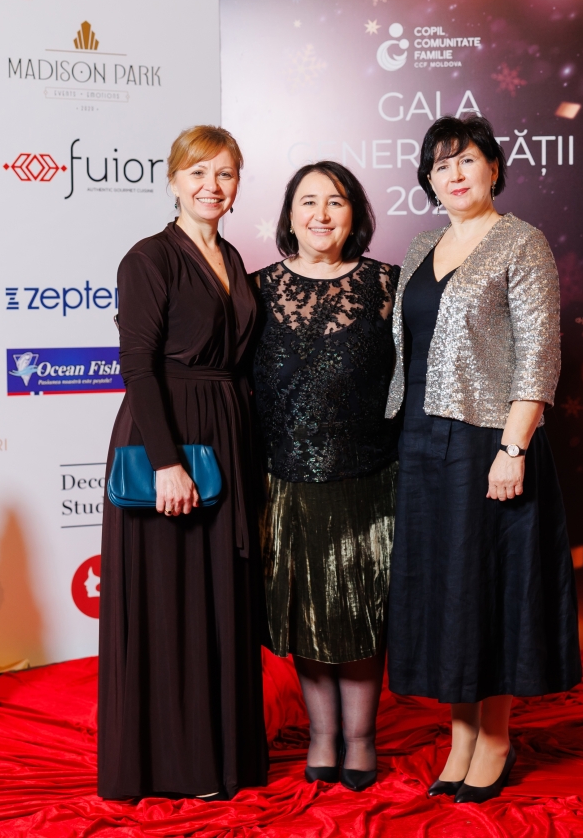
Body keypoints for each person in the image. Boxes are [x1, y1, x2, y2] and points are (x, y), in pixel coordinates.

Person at [384, 116, 581, 804]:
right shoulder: (421, 246)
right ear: (429, 181)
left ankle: (494, 736)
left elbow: (540, 356)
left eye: (467, 160)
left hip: (487, 443)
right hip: (419, 440)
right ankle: (460, 732)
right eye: (441, 165)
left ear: (494, 168)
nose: (455, 174)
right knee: (448, 591)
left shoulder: (522, 242)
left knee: (489, 587)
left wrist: (513, 447)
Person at [98, 125, 268, 800]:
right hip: (166, 436)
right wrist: (165, 463)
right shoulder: (149, 258)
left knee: (219, 597)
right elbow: (137, 366)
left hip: (227, 434)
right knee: (171, 600)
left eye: (225, 174)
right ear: (173, 180)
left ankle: (224, 757)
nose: (212, 186)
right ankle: (174, 765)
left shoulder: (232, 256)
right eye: (198, 173)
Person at [252, 162, 398, 793]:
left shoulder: (389, 284)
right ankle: (321, 735)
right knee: (307, 614)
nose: (321, 214)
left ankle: (361, 739)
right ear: (289, 214)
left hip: (369, 479)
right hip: (285, 480)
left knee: (360, 614)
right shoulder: (255, 290)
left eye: (335, 202)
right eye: (307, 202)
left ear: (354, 213)